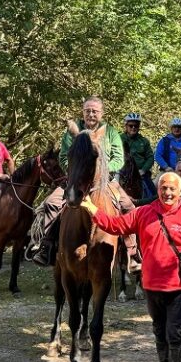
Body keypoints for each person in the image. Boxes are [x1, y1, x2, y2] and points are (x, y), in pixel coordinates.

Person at [79, 171, 181, 362]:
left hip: (179, 288)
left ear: (179, 192)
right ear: (158, 190)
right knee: (159, 333)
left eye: (172, 189)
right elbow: (115, 225)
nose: (167, 193)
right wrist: (91, 208)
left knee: (174, 334)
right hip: (152, 287)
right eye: (163, 188)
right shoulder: (144, 213)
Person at [32, 97, 140, 271]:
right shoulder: (73, 132)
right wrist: (75, 171)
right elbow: (63, 156)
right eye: (87, 110)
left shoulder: (110, 132)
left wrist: (101, 171)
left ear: (101, 113)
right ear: (83, 112)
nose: (91, 114)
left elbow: (119, 159)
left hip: (103, 180)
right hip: (75, 180)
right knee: (52, 202)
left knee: (128, 207)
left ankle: (132, 253)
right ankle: (46, 246)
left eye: (95, 111)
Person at [121, 112, 157, 200]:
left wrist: (143, 170)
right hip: (121, 173)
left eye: (136, 126)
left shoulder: (144, 141)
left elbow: (150, 157)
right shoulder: (118, 139)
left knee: (153, 194)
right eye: (131, 125)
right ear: (126, 126)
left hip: (141, 174)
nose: (133, 128)